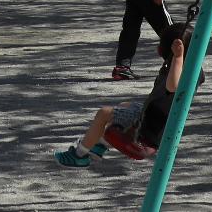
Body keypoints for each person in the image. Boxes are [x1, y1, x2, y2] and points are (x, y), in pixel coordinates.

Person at [57, 22, 193, 167]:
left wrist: (177, 58)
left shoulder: (183, 69)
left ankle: (79, 155)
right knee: (124, 105)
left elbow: (173, 87)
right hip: (150, 115)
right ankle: (100, 145)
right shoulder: (186, 65)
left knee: (103, 113)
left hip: (150, 127)